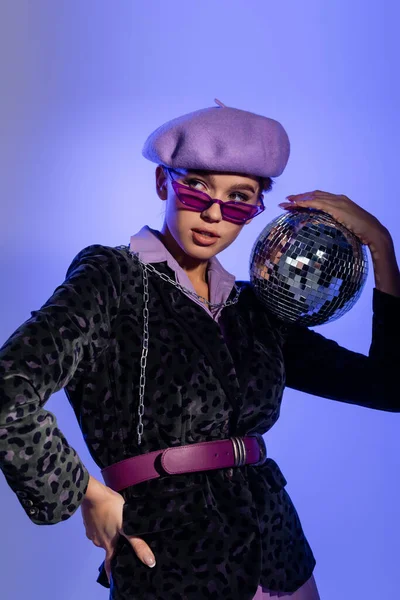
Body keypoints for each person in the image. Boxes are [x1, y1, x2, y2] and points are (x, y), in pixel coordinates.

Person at [0, 100, 399, 600]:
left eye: (238, 200)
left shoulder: (255, 310)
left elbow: (388, 387)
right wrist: (85, 491)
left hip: (280, 556)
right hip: (169, 560)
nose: (214, 213)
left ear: (255, 213)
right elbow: (9, 391)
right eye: (197, 188)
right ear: (164, 183)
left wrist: (382, 248)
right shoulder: (114, 279)